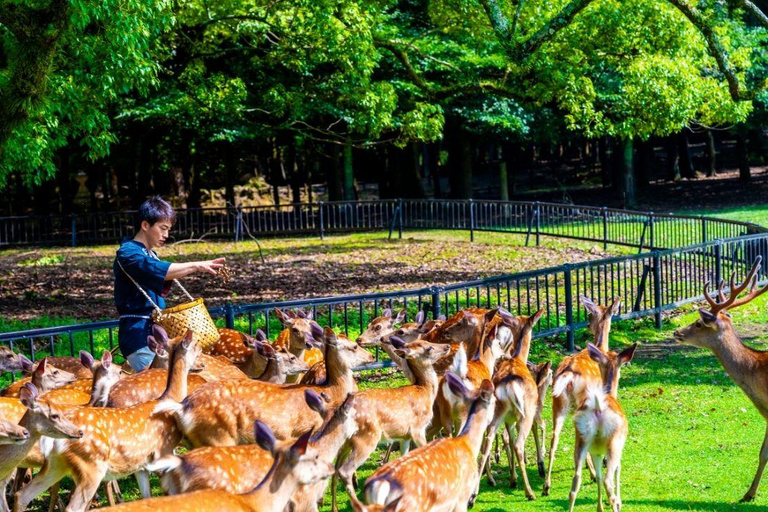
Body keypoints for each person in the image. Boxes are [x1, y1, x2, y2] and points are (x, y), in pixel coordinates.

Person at [113, 196, 225, 371]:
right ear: (145, 225)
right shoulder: (128, 253)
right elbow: (157, 270)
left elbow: (159, 269)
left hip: (153, 336)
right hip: (138, 337)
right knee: (161, 392)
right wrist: (196, 265)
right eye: (162, 228)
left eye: (168, 229)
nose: (166, 235)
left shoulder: (149, 253)